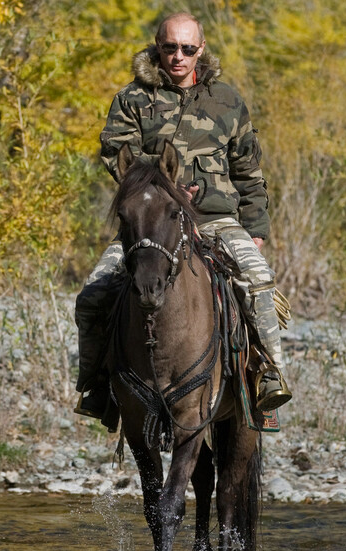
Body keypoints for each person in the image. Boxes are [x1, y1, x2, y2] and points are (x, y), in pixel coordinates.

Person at [74, 12, 292, 426]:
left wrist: (256, 230)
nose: (178, 56)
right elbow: (117, 157)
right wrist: (162, 194)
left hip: (216, 220)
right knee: (91, 297)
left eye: (188, 48)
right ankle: (97, 385)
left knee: (259, 282)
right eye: (170, 47)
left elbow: (248, 171)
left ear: (201, 49)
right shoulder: (131, 100)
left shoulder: (228, 101)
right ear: (157, 46)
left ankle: (266, 376)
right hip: (150, 225)